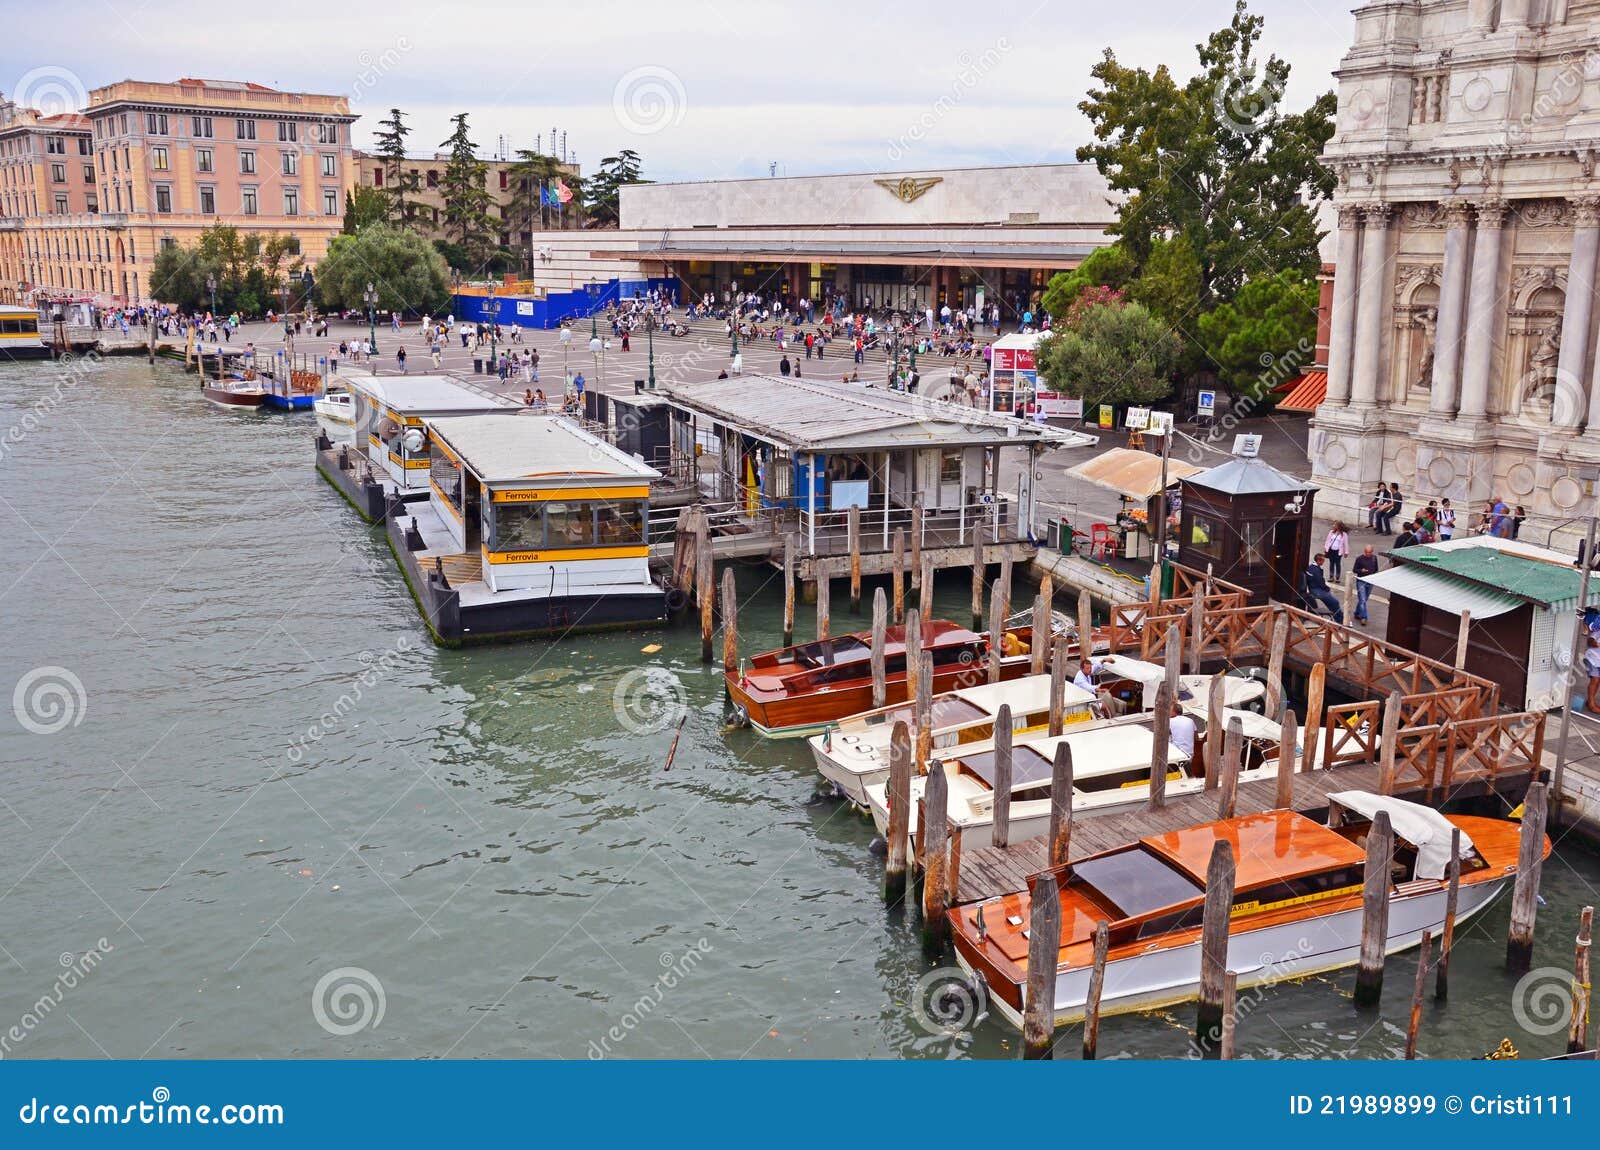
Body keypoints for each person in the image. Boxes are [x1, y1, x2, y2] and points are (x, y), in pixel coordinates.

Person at [1302, 553, 1343, 622]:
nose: (1323, 563)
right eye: (1323, 561)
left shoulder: (1312, 567)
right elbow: (1321, 583)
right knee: (1335, 602)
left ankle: (1339, 617)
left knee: (1332, 603)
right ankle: (1340, 619)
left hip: (1314, 588)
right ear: (1319, 561)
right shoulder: (1315, 570)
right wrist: (1327, 589)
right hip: (1317, 590)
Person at [1352, 544, 1379, 625]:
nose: (1368, 554)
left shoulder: (1374, 558)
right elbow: (1354, 570)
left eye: (1370, 552)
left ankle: (1357, 612)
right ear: (1364, 551)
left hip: (1370, 581)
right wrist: (1361, 570)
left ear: (1372, 552)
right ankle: (1364, 617)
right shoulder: (1359, 559)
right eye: (1367, 552)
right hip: (1361, 581)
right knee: (1363, 600)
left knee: (1363, 599)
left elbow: (1376, 569)